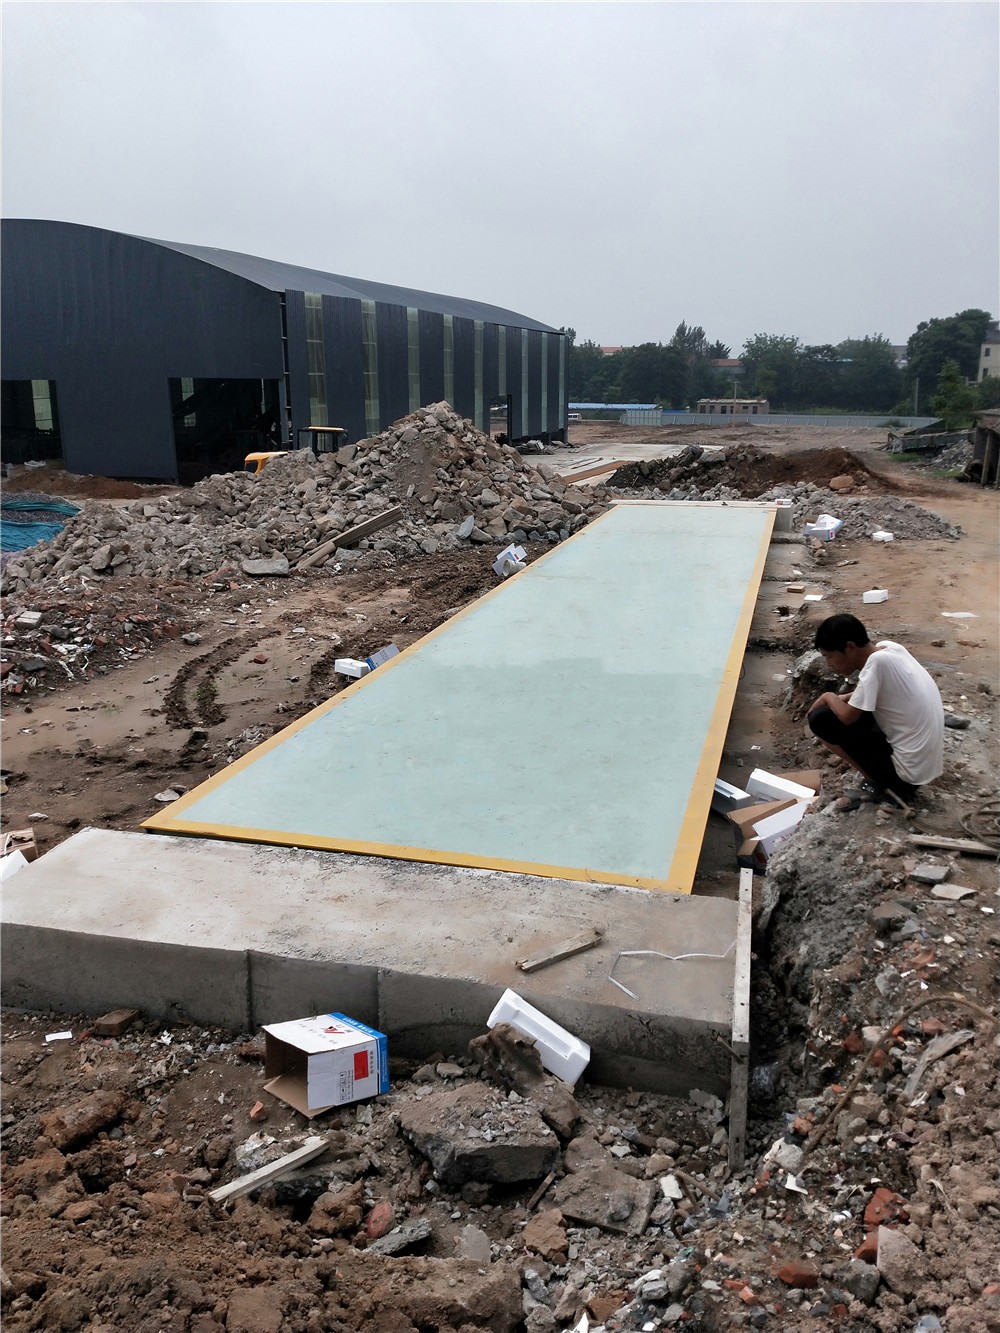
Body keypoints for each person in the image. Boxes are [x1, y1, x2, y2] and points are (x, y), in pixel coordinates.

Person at [807, 613, 944, 805]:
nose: (829, 664)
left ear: (850, 647)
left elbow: (847, 717)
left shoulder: (876, 663)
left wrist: (827, 696)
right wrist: (843, 698)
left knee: (820, 718)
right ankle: (882, 776)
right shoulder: (891, 649)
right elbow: (873, 691)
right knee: (854, 709)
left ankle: (879, 783)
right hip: (922, 768)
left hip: (904, 780)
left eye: (829, 656)